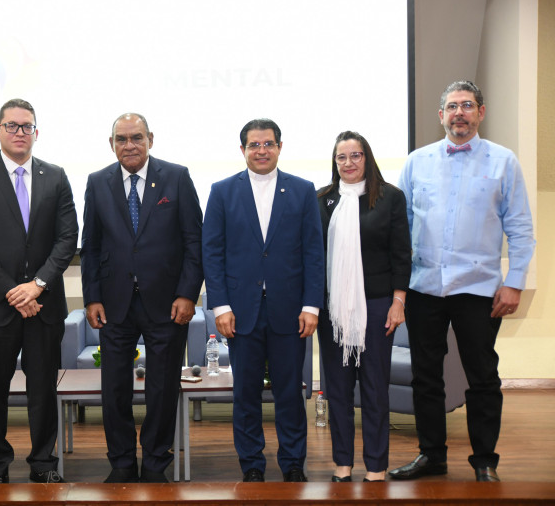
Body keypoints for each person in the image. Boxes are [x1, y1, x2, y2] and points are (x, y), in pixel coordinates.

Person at [390, 81, 535, 483]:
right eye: (451, 106)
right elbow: (400, 229)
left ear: (480, 113)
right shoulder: (417, 162)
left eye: (467, 106)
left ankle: (485, 460)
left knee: (482, 377)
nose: (459, 113)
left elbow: (521, 228)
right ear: (440, 115)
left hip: (479, 289)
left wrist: (515, 282)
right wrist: (399, 288)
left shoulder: (503, 162)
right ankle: (431, 455)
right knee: (426, 377)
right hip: (424, 288)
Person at [0, 99, 78, 484]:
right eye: (12, 126)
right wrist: (13, 292)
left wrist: (36, 286)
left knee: (44, 389)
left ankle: (43, 463)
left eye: (27, 126)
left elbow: (67, 237)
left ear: (36, 133)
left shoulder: (55, 176)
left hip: (43, 304)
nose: (19, 132)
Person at [80, 113, 203, 483]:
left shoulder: (176, 177)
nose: (129, 145)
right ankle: (120, 462)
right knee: (114, 388)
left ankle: (154, 462)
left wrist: (187, 293)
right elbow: (91, 246)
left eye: (136, 137)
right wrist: (92, 297)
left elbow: (193, 241)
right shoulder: (97, 182)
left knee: (163, 388)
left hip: (167, 303)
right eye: (121, 139)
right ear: (111, 143)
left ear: (150, 139)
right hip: (114, 303)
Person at [202, 118, 324, 482]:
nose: (261, 150)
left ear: (280, 147)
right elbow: (213, 253)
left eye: (268, 144)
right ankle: (252, 464)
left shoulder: (302, 191)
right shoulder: (222, 191)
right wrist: (220, 306)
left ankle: (292, 463)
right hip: (240, 313)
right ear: (243, 150)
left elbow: (313, 253)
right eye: (254, 145)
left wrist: (311, 305)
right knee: (246, 395)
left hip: (291, 312)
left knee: (290, 393)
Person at [316, 131, 411, 483]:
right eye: (342, 157)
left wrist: (398, 302)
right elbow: (313, 258)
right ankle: (342, 463)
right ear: (334, 162)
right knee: (338, 391)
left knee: (373, 389)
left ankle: (376, 466)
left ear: (367, 158)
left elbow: (402, 254)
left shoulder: (390, 199)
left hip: (377, 307)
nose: (348, 163)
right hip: (333, 313)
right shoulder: (321, 200)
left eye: (355, 156)